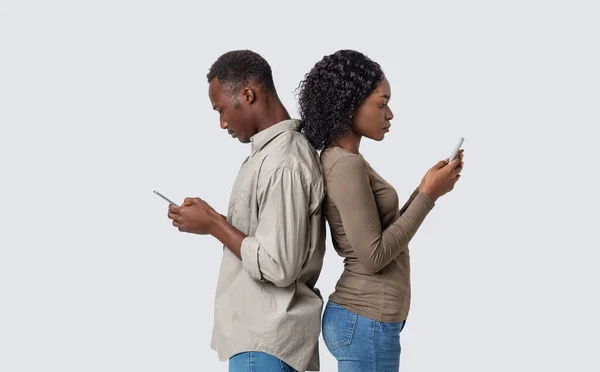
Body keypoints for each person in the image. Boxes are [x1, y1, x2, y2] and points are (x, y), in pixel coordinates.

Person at [296, 49, 464, 372]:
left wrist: (426, 188)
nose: (390, 115)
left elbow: (381, 231)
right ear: (349, 104)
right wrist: (428, 196)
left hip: (366, 321)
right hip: (365, 319)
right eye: (382, 103)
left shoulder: (344, 159)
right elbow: (374, 255)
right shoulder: (345, 165)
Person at [167, 50, 326, 372]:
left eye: (221, 109)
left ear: (248, 94)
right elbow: (272, 240)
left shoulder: (283, 161)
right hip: (265, 343)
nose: (222, 122)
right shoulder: (272, 155)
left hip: (265, 342)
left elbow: (279, 266)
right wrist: (213, 221)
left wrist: (213, 224)